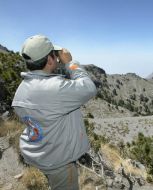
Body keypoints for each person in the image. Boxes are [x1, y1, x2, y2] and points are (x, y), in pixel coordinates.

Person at [12, 34, 97, 190]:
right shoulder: (55, 88)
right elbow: (89, 88)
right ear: (50, 60)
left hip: (39, 153)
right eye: (54, 55)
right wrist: (70, 63)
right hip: (59, 162)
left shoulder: (22, 89)